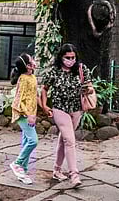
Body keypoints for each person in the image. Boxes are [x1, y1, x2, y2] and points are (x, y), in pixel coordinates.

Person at [39, 43, 92, 188]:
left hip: (76, 109)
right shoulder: (54, 71)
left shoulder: (81, 69)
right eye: (67, 57)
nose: (70, 60)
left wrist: (87, 90)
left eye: (73, 57)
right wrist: (44, 105)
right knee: (70, 140)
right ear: (61, 57)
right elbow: (44, 89)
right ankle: (74, 174)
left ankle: (56, 170)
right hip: (60, 108)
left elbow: (90, 87)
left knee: (64, 139)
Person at [9, 53, 39, 185]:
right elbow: (18, 101)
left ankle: (23, 171)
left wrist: (42, 109)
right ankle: (17, 163)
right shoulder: (23, 79)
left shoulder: (32, 77)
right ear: (28, 65)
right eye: (31, 59)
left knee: (27, 141)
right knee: (33, 141)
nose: (34, 60)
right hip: (23, 115)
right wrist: (28, 115)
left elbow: (33, 96)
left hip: (31, 115)